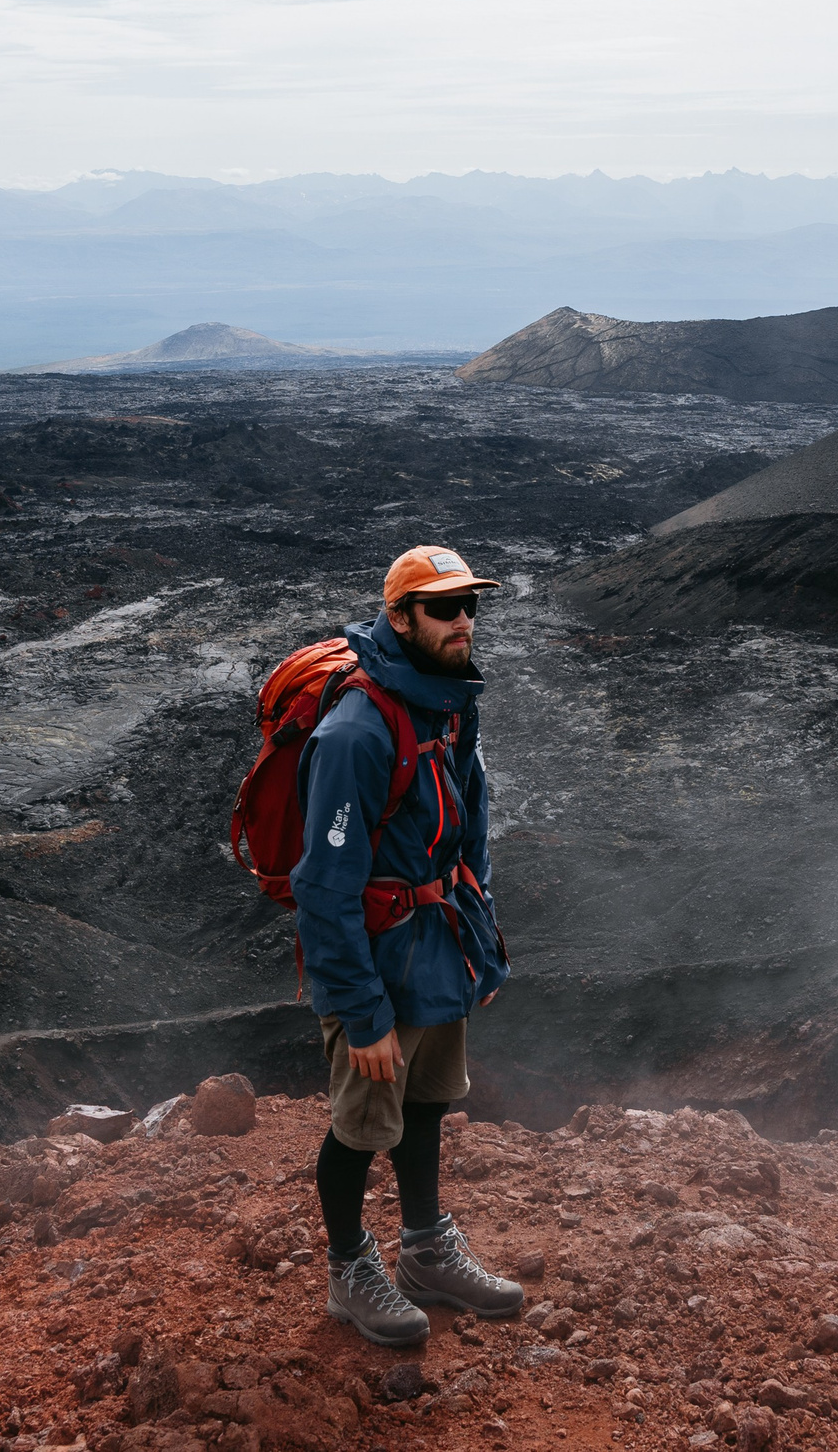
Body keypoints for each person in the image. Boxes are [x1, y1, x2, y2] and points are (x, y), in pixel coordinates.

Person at [292, 544, 524, 1346]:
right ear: (399, 617)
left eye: (471, 605)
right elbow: (323, 886)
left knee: (427, 1099)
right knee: (362, 1123)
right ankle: (349, 1271)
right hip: (378, 962)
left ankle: (425, 1250)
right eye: (444, 607)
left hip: (439, 944)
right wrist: (360, 1012)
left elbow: (471, 832)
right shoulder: (357, 731)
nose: (464, 619)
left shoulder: (450, 703)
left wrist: (481, 948)